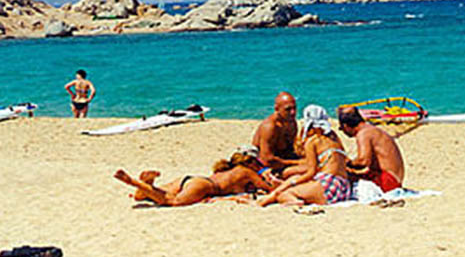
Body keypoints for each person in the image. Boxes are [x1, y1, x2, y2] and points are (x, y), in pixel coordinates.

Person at [259, 105, 352, 206]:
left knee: (283, 194)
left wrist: (292, 183)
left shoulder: (313, 141)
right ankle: (268, 198)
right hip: (344, 187)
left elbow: (311, 172)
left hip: (328, 187)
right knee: (294, 179)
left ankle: (290, 201)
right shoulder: (333, 136)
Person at [114, 149, 277, 207]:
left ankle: (146, 183)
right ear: (251, 162)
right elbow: (271, 190)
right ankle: (132, 181)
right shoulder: (246, 172)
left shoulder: (228, 169)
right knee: (172, 201)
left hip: (192, 179)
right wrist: (271, 179)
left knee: (142, 196)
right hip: (205, 186)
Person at [337, 105, 405, 192]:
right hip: (394, 178)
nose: (343, 131)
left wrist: (346, 163)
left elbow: (363, 162)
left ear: (345, 126)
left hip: (388, 181)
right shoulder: (371, 129)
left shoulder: (363, 134)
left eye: (341, 128)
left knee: (344, 177)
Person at [251, 92, 300, 171]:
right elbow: (267, 160)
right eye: (288, 109)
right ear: (277, 109)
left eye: (294, 108)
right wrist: (296, 163)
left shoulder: (291, 123)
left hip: (282, 160)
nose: (293, 112)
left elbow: (290, 149)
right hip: (264, 166)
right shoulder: (270, 127)